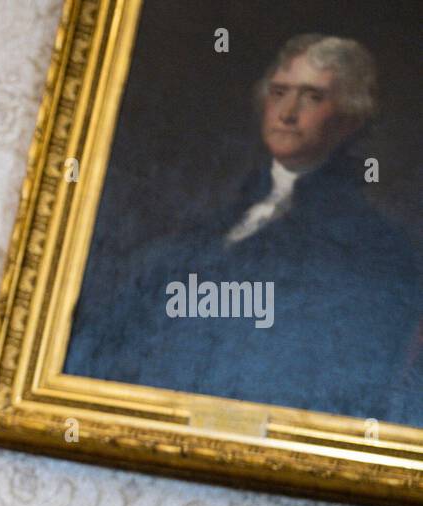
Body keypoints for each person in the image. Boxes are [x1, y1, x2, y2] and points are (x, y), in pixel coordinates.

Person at [64, 34, 422, 426]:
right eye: (279, 92)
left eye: (312, 97)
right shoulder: (221, 216)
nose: (287, 112)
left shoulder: (374, 248)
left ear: (349, 120)